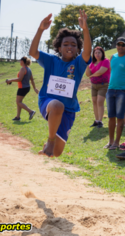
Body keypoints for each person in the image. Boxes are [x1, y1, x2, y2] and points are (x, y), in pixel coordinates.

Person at [29, 10, 92, 157]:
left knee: (56, 153)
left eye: (73, 44)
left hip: (69, 109)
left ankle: (47, 148)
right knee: (57, 106)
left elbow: (88, 52)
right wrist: (40, 29)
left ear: (77, 49)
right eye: (65, 44)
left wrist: (85, 28)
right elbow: (32, 52)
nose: (69, 46)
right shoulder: (51, 60)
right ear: (59, 48)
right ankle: (50, 141)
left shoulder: (78, 64)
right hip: (48, 101)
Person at [6, 56, 39, 121]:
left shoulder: (23, 69)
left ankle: (31, 111)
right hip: (27, 87)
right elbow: (32, 79)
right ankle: (18, 117)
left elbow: (19, 79)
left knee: (18, 102)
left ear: (23, 61)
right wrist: (34, 88)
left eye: (20, 60)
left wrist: (10, 80)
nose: (19, 62)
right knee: (19, 102)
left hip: (22, 88)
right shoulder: (29, 69)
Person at [85, 46, 110, 128]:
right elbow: (87, 74)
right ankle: (96, 120)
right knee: (94, 102)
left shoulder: (105, 61)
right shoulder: (92, 63)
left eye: (99, 52)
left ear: (102, 53)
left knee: (100, 101)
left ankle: (100, 121)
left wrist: (92, 75)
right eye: (95, 53)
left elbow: (100, 72)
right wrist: (87, 65)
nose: (97, 54)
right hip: (94, 85)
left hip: (103, 85)